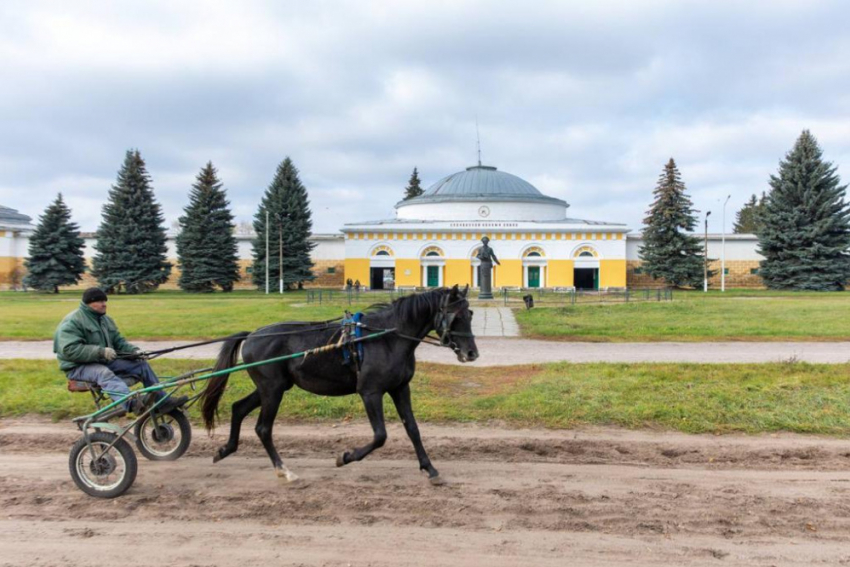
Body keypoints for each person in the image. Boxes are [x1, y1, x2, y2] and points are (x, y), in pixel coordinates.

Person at [54, 288, 187, 415]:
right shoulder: (73, 321)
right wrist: (100, 352)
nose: (104, 304)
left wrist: (135, 352)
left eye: (105, 301)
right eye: (100, 301)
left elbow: (118, 341)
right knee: (103, 373)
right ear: (88, 304)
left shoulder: (105, 320)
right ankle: (131, 404)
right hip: (77, 367)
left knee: (141, 365)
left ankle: (163, 401)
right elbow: (68, 350)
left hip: (101, 361)